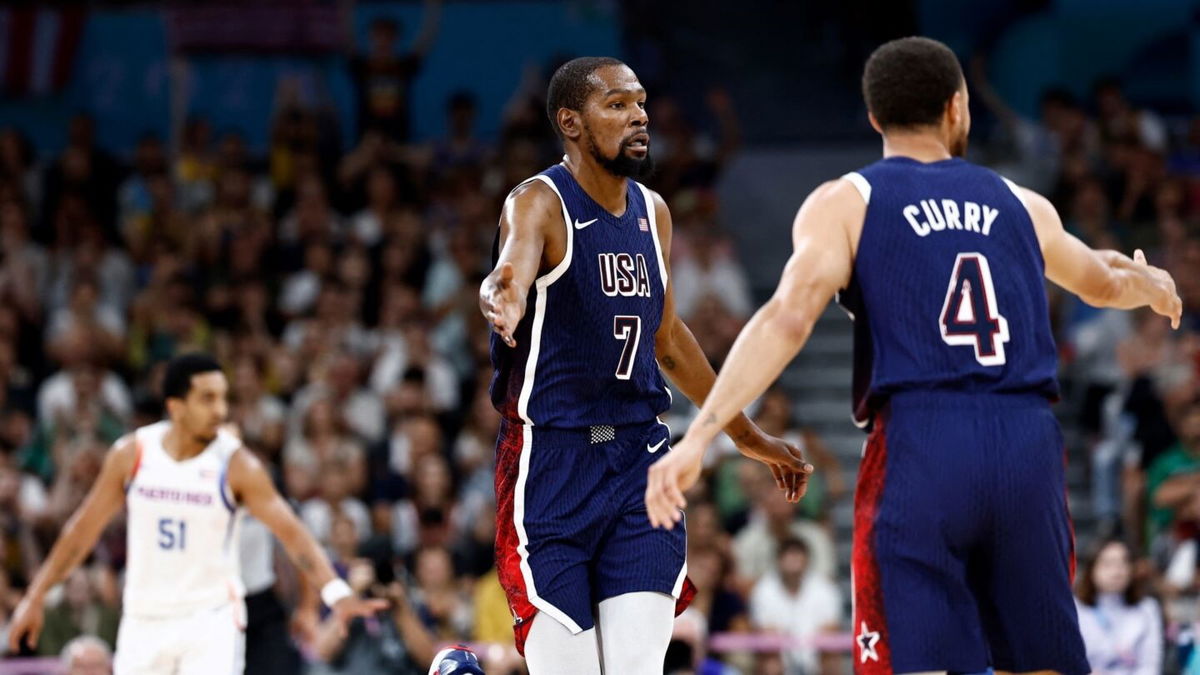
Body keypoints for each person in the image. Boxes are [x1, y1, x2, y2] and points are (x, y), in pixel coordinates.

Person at [645, 36, 1182, 674]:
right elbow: (1101, 279)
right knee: (1039, 661)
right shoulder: (1023, 203)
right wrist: (1148, 283)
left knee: (915, 662)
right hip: (1026, 442)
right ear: (959, 108)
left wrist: (701, 435)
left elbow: (788, 317)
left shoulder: (847, 201)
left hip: (923, 439)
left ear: (874, 118)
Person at [478, 56, 810, 675]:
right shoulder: (539, 203)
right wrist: (505, 290)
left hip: (639, 462)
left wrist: (747, 436)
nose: (638, 117)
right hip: (553, 464)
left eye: (640, 103)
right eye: (617, 105)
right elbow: (513, 264)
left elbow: (670, 340)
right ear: (571, 122)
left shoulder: (653, 211)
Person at [7, 353, 386, 673]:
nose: (220, 410)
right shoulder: (133, 453)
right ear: (175, 405)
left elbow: (294, 535)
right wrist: (35, 596)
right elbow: (81, 531)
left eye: (222, 398)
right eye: (207, 399)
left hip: (211, 619)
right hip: (146, 615)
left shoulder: (237, 465)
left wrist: (335, 594)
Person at [1074, 539, 1163, 674]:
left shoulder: (1147, 609)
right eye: (1108, 564)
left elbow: (1150, 667)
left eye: (1123, 563)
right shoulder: (1075, 609)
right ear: (1091, 569)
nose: (1117, 571)